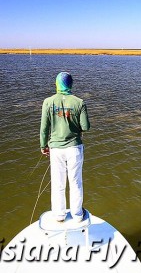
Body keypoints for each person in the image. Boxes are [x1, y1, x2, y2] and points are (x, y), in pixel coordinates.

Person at [40, 72, 90, 223]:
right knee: (75, 182)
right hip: (74, 149)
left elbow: (44, 128)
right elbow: (86, 127)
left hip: (56, 150)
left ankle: (60, 215)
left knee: (57, 183)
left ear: (56, 84)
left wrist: (43, 145)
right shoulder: (79, 102)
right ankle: (77, 215)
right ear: (71, 84)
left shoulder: (48, 102)